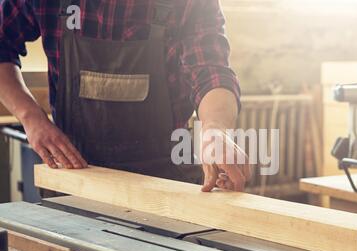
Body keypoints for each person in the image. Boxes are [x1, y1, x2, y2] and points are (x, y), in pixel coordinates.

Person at [0, 0, 251, 192]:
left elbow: (211, 71)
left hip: (165, 177)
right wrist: (30, 117)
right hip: (74, 174)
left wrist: (216, 129)